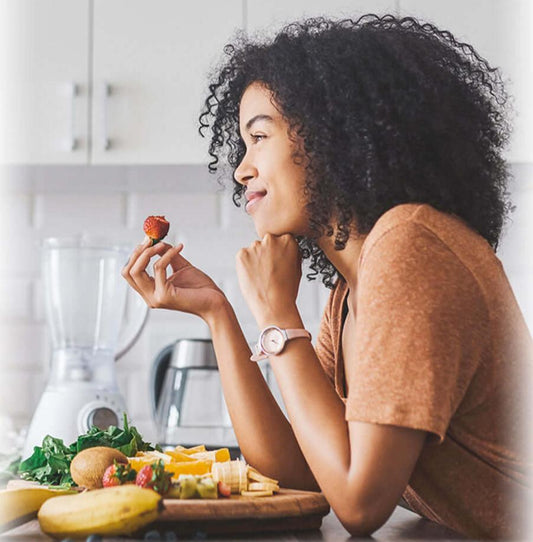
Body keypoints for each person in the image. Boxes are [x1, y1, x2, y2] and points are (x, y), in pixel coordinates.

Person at [122, 14, 532, 539]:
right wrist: (218, 313)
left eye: (259, 137)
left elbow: (359, 505)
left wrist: (278, 315)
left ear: (331, 137)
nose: (241, 169)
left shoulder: (411, 247)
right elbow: (301, 473)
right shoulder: (349, 293)